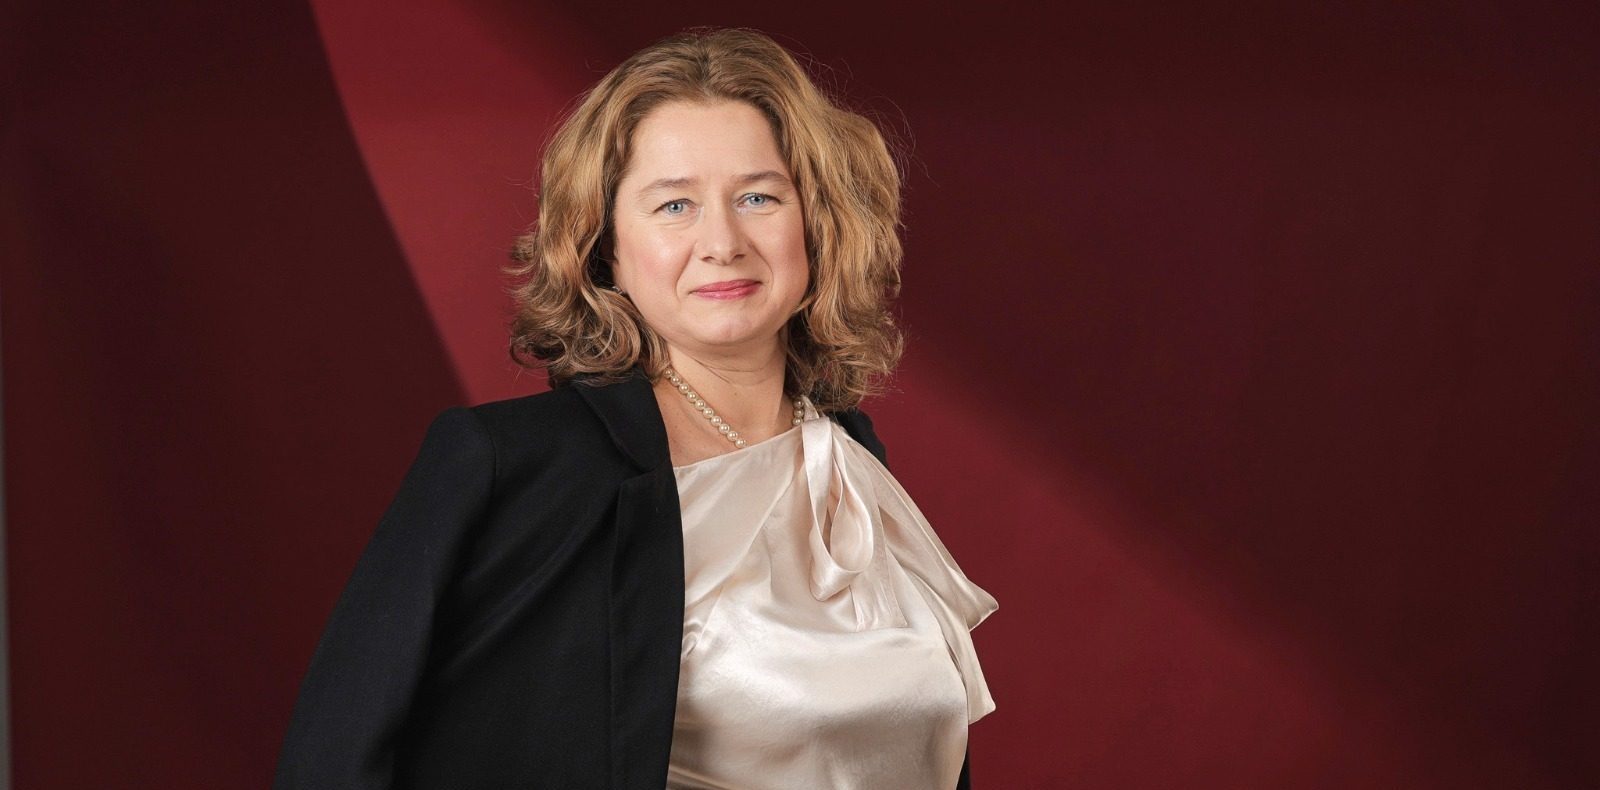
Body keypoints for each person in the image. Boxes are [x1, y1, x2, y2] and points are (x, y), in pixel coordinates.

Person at [272, 27, 996, 790]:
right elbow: (333, 762)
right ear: (607, 249)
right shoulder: (509, 468)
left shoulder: (849, 456)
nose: (722, 242)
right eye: (674, 204)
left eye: (758, 197)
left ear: (819, 223)